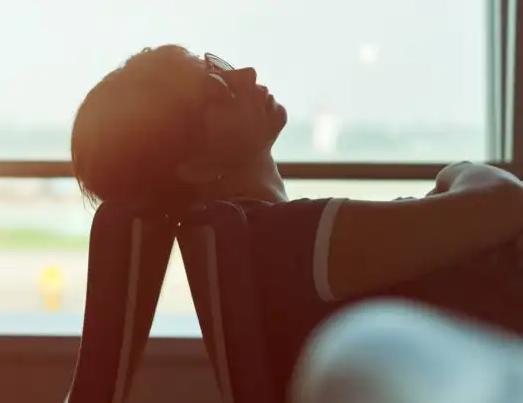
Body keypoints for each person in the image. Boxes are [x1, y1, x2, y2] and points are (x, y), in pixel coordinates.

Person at [71, 44, 523, 376]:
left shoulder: (259, 239)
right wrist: (459, 170)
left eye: (218, 65)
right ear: (194, 164)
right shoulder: (289, 240)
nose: (245, 74)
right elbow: (506, 202)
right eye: (217, 88)